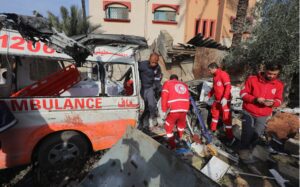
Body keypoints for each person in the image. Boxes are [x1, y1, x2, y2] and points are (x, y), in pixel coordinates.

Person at [239, 63, 284, 163]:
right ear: (265, 70)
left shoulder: (279, 85)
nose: (271, 76)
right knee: (247, 134)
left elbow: (279, 100)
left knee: (256, 135)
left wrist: (273, 103)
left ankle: (249, 152)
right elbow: (243, 94)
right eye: (269, 73)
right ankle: (242, 156)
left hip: (263, 115)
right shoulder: (252, 79)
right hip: (249, 112)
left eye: (275, 74)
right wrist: (255, 100)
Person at [206, 63, 233, 141]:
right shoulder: (215, 77)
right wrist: (208, 95)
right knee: (214, 116)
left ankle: (229, 137)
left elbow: (228, 86)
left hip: (225, 101)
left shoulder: (223, 74)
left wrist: (225, 98)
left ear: (214, 68)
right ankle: (213, 130)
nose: (209, 71)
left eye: (210, 70)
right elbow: (214, 89)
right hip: (217, 101)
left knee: (226, 119)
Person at [161, 74, 190, 149]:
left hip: (174, 108)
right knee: (181, 125)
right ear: (177, 79)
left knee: (168, 125)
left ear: (170, 79)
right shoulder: (184, 84)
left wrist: (164, 110)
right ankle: (180, 138)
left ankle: (172, 145)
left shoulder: (168, 83)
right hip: (185, 108)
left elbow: (164, 96)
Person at [138, 53, 162, 131]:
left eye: (156, 62)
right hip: (141, 88)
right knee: (142, 107)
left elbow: (158, 79)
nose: (154, 64)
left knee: (152, 105)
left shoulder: (158, 68)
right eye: (153, 62)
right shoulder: (142, 65)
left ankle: (151, 121)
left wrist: (158, 89)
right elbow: (135, 71)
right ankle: (140, 121)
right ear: (149, 59)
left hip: (150, 88)